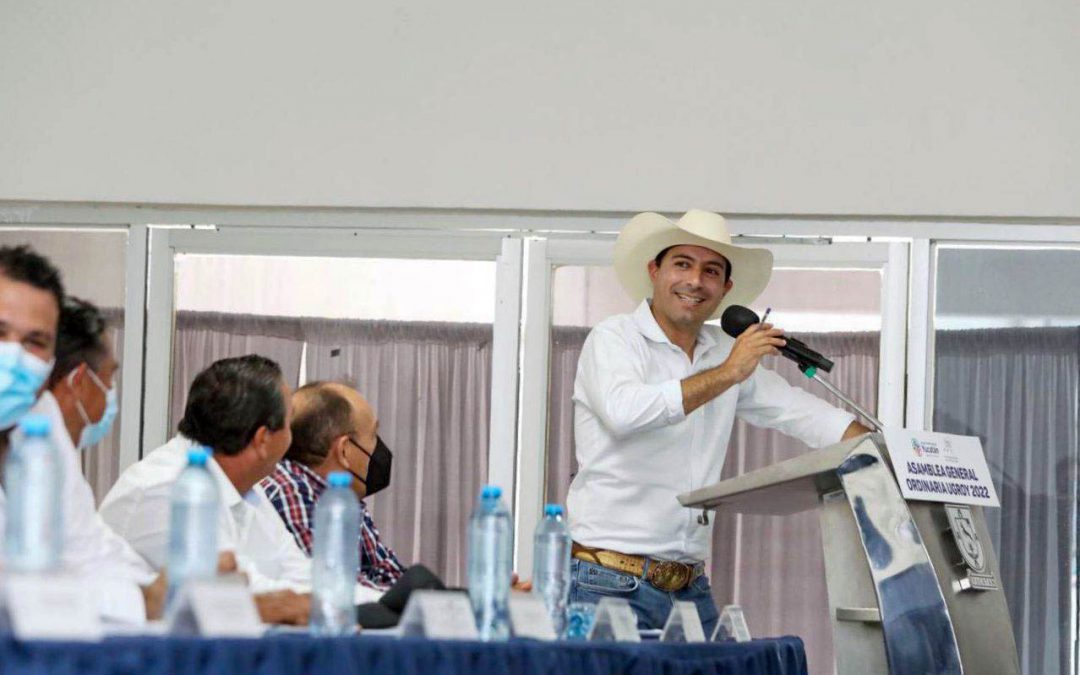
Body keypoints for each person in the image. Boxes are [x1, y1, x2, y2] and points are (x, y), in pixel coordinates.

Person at [566, 210, 871, 635]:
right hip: (608, 581)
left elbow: (802, 413)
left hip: (689, 585)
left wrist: (886, 453)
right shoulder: (613, 338)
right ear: (654, 270)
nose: (695, 281)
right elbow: (625, 413)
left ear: (725, 289)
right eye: (682, 264)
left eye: (711, 271)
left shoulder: (719, 351)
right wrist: (729, 372)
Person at [99, 354, 315, 624]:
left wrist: (376, 602)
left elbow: (301, 576)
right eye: (289, 423)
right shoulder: (167, 487)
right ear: (262, 440)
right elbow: (241, 595)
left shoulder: (246, 489)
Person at [28, 296, 166, 621]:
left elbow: (93, 546)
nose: (110, 392)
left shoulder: (55, 443)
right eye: (109, 379)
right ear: (78, 381)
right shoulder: (34, 442)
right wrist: (142, 600)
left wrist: (155, 588)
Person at [261, 381, 404, 590]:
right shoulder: (290, 492)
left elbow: (389, 576)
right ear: (345, 450)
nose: (379, 447)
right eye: (373, 435)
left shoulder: (345, 497)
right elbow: (337, 592)